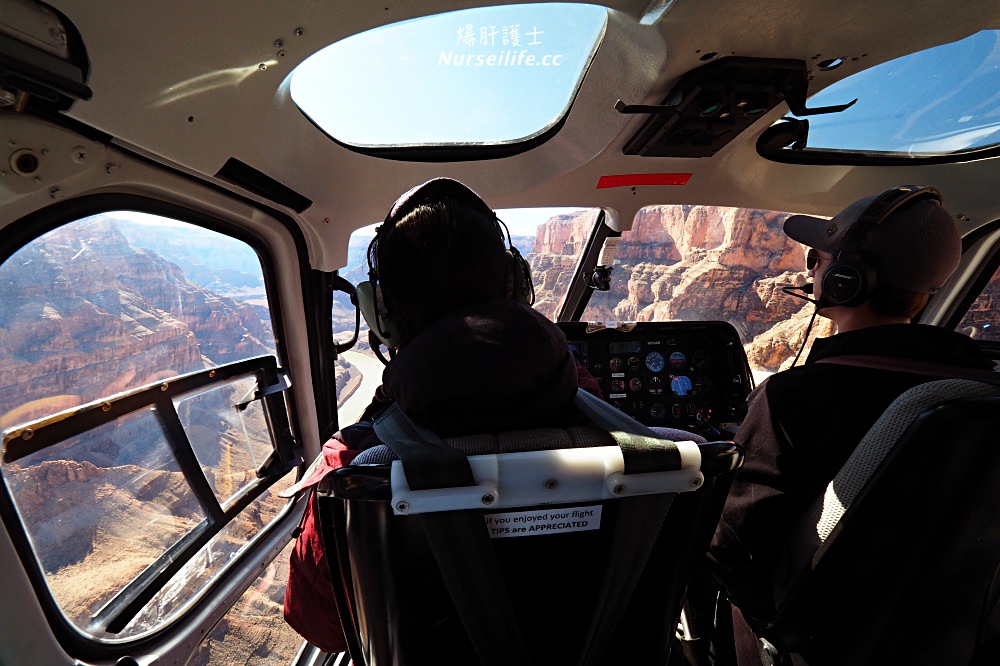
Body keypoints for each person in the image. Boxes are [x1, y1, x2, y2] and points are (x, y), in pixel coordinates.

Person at [707, 185, 996, 621]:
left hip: (814, 629)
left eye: (817, 260)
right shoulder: (980, 390)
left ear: (846, 279)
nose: (811, 271)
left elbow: (732, 550)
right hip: (947, 626)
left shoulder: (794, 400)